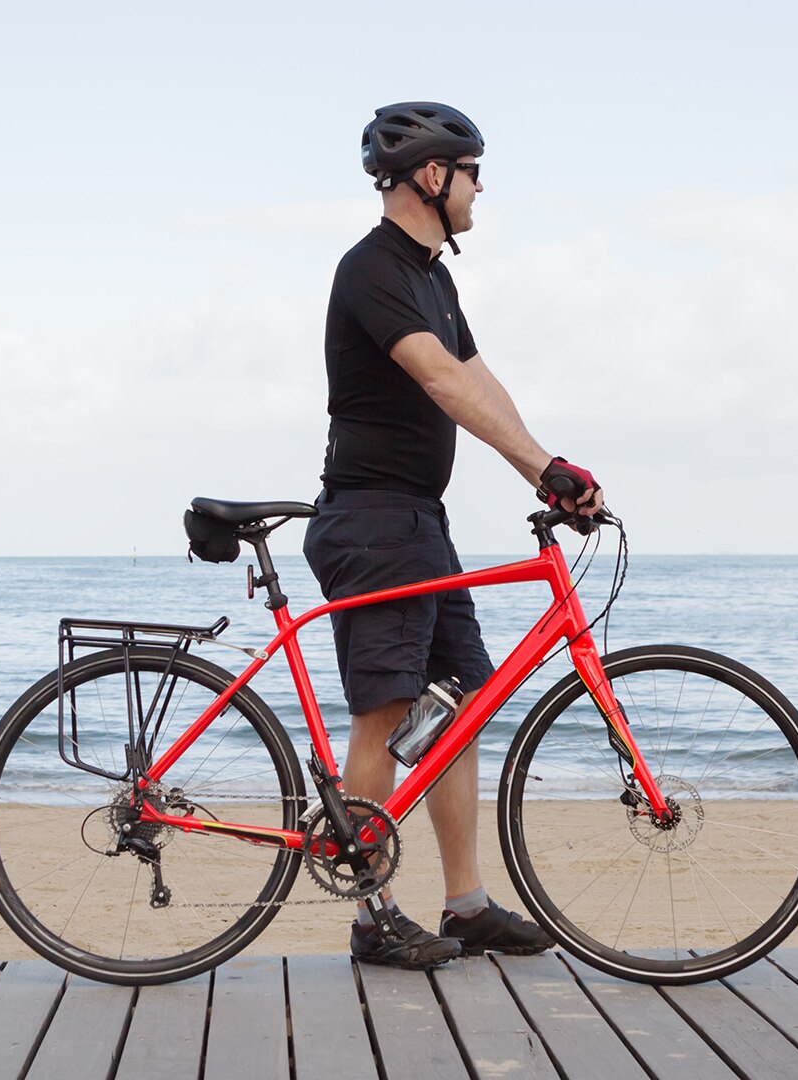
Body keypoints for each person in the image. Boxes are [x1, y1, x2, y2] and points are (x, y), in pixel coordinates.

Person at [301, 102, 603, 970]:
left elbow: (476, 375)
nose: (479, 188)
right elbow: (435, 377)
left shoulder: (435, 275)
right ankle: (370, 911)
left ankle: (465, 905)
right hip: (371, 518)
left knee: (456, 708)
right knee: (388, 709)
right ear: (432, 176)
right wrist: (539, 468)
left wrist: (552, 468)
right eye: (473, 171)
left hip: (417, 519)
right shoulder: (371, 270)